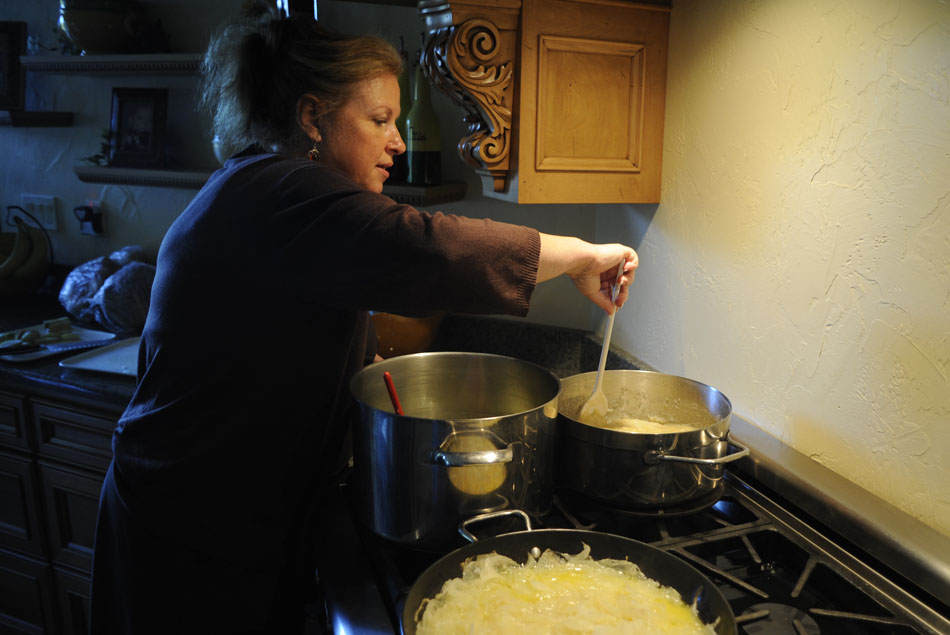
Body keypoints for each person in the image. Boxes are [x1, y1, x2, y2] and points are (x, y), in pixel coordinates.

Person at [88, 8, 638, 635]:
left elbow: (277, 327)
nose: (398, 141)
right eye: (379, 120)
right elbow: (423, 246)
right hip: (192, 531)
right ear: (311, 117)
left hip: (214, 512)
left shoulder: (266, 187)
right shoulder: (282, 190)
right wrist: (580, 256)